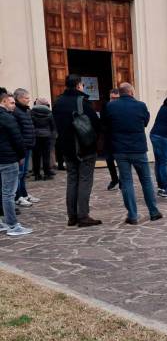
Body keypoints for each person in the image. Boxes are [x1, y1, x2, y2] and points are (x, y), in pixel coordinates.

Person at [102, 83, 163, 225]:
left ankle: (132, 215)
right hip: (138, 148)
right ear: (131, 92)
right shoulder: (140, 105)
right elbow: (146, 122)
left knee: (126, 181)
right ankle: (153, 211)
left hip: (119, 149)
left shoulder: (110, 106)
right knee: (146, 180)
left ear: (120, 92)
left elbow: (106, 125)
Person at [52, 74, 102, 227]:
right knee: (85, 180)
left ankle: (72, 216)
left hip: (66, 148)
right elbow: (95, 124)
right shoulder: (83, 102)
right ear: (79, 85)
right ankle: (83, 215)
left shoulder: (58, 102)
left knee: (72, 179)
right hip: (85, 147)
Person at [0, 93, 32, 236]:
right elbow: (17, 139)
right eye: (11, 103)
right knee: (8, 193)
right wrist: (21, 156)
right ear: (4, 101)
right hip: (8, 159)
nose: (14, 106)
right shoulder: (7, 118)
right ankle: (12, 225)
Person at [12, 88, 38, 207]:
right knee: (19, 173)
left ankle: (24, 194)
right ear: (19, 98)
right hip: (22, 147)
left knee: (23, 173)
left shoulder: (25, 110)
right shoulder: (16, 111)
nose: (28, 100)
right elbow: (17, 132)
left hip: (28, 145)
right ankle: (18, 197)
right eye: (26, 98)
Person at [30, 97, 56, 181]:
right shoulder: (49, 112)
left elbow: (30, 125)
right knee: (46, 156)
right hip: (46, 136)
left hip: (35, 136)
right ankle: (47, 173)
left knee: (36, 156)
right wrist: (53, 134)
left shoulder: (31, 112)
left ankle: (37, 174)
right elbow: (53, 126)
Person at [104, 89, 120, 191]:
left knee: (121, 161)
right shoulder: (106, 106)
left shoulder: (122, 107)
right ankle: (114, 179)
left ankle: (122, 180)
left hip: (120, 139)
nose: (114, 100)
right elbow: (102, 121)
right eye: (112, 98)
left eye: (116, 98)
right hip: (109, 138)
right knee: (109, 160)